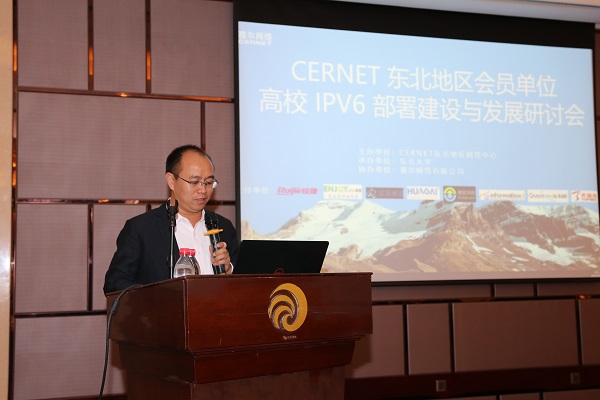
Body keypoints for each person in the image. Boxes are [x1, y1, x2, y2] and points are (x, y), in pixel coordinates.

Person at [103, 144, 239, 294]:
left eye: (208, 183)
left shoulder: (224, 227)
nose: (203, 190)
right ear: (171, 181)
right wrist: (161, 297)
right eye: (194, 182)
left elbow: (245, 284)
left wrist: (229, 270)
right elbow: (115, 283)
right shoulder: (141, 229)